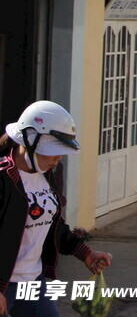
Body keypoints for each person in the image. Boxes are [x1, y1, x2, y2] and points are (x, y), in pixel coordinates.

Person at [0, 101, 112, 316]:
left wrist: (85, 253)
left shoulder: (45, 174)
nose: (58, 157)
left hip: (33, 282)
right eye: (52, 151)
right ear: (30, 142)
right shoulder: (3, 179)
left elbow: (52, 223)